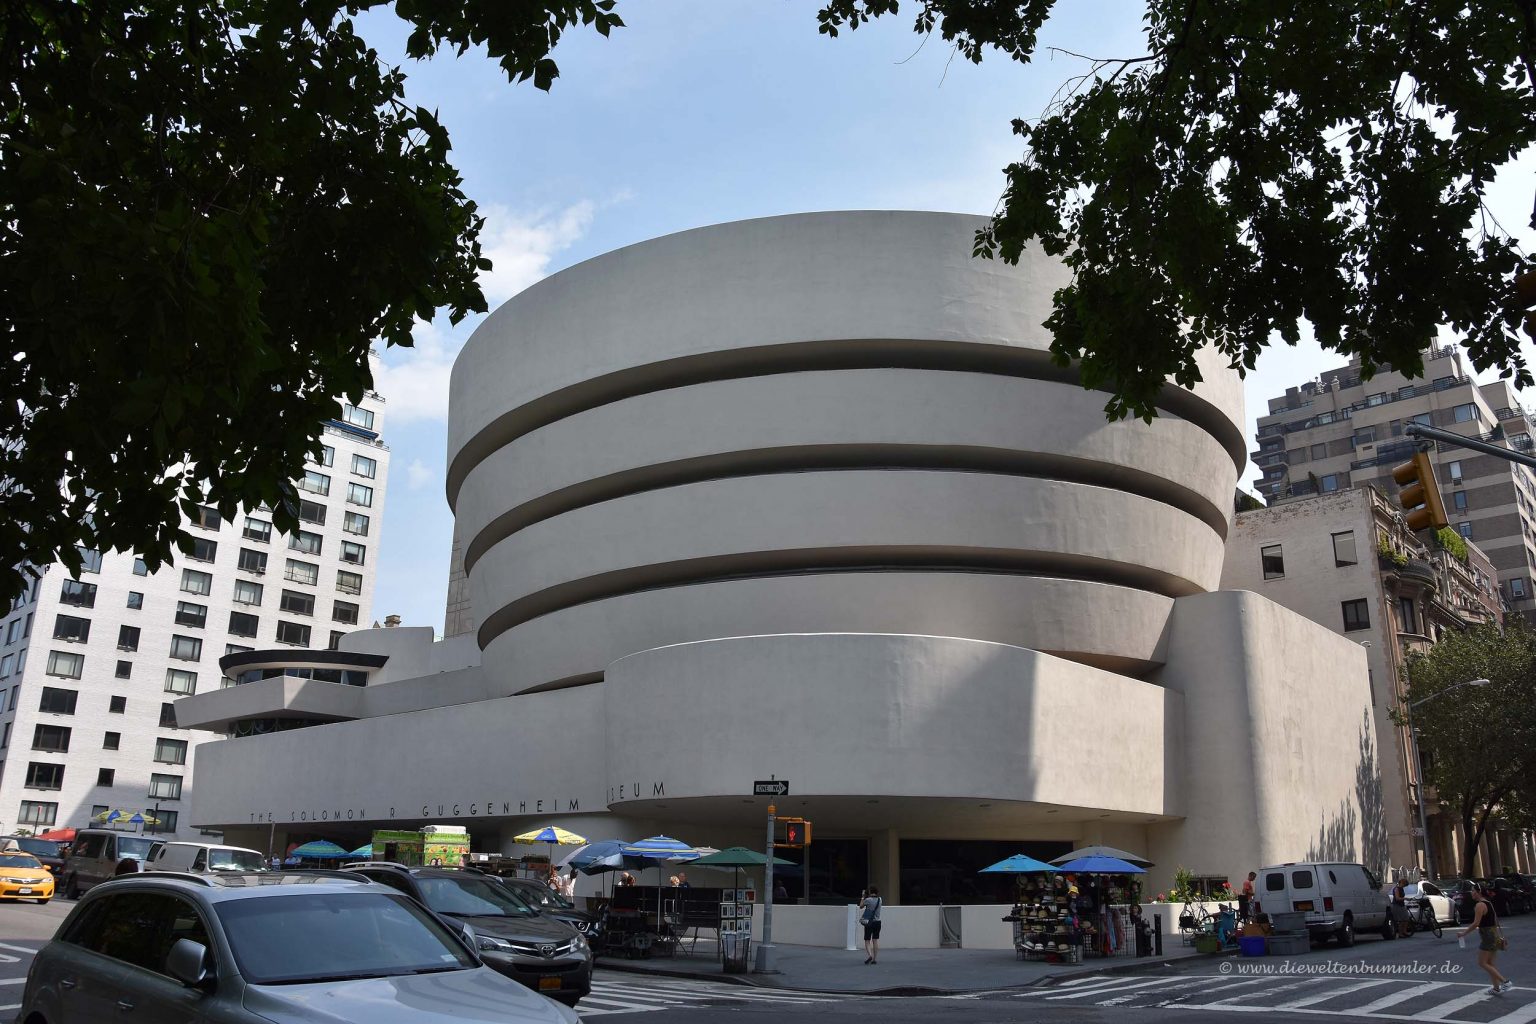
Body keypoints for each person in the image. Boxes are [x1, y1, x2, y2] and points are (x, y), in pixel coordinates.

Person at [1459, 884, 1511, 995]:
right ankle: (1496, 988)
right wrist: (1497, 936)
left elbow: (1476, 923)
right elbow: (1495, 921)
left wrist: (1464, 933)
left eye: (1473, 891)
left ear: (1478, 892)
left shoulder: (1480, 905)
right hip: (1493, 934)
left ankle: (1505, 982)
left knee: (1482, 962)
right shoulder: (1489, 903)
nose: (1471, 893)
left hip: (1487, 936)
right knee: (1490, 963)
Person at [860, 886, 883, 965]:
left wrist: (863, 897)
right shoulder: (880, 900)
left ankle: (870, 955)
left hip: (869, 922)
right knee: (875, 940)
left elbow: (861, 906)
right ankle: (874, 959)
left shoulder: (868, 900)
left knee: (867, 940)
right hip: (877, 922)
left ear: (870, 892)